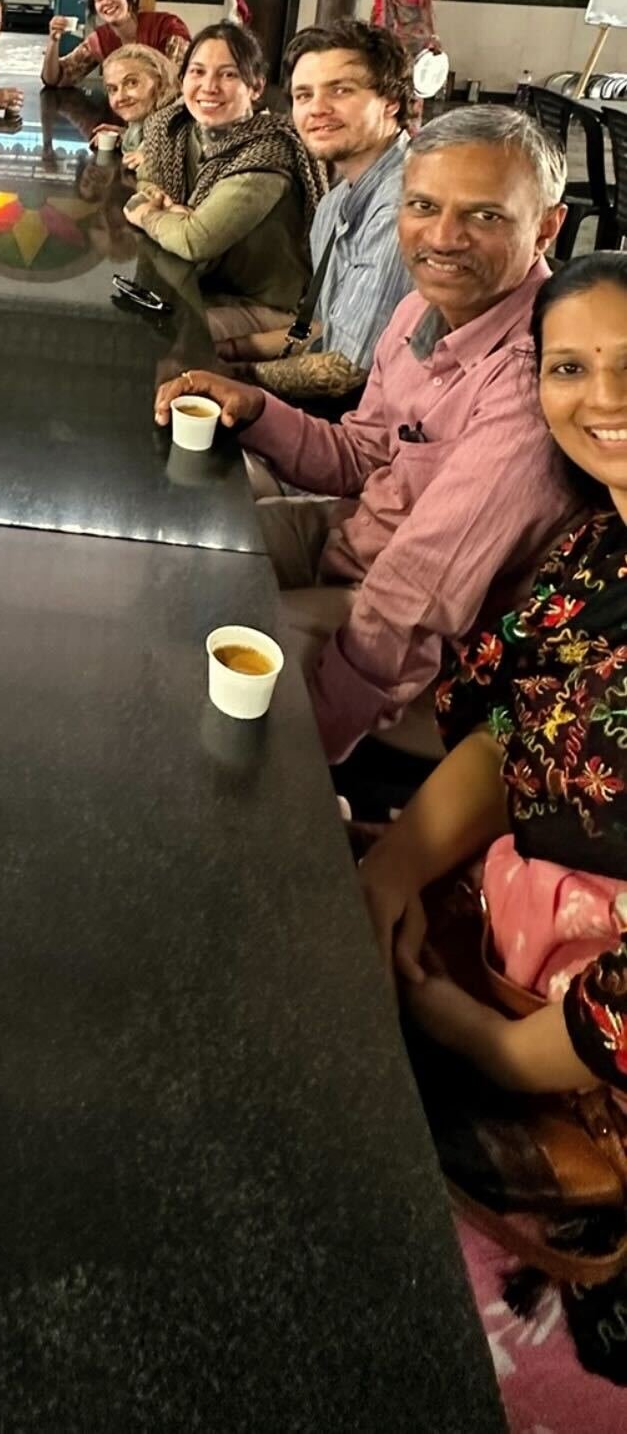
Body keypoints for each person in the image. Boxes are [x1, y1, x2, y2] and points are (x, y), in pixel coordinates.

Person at [361, 252, 627, 1420]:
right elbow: (512, 728)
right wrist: (392, 868)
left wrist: (475, 1038)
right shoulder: (594, 549)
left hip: (578, 1068)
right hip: (501, 943)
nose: (601, 399)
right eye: (569, 367)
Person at [155, 107, 578, 764]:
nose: (442, 236)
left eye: (484, 215)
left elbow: (416, 596)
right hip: (351, 537)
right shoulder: (421, 305)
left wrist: (300, 755)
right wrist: (255, 408)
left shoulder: (533, 383)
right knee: (173, 563)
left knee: (196, 672)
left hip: (419, 648)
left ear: (547, 226)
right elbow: (363, 453)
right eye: (421, 205)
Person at [218, 19, 413, 387]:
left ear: (391, 102)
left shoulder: (404, 206)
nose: (317, 108)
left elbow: (349, 371)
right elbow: (323, 331)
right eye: (303, 95)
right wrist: (231, 350)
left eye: (340, 90)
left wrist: (228, 376)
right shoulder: (337, 201)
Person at [125, 22, 323, 339]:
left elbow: (196, 240)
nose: (209, 86)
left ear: (256, 87)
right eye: (197, 72)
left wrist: (149, 214)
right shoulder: (174, 130)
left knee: (163, 332)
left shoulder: (269, 153)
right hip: (201, 285)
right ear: (182, 79)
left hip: (263, 305)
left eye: (228, 74)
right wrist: (170, 212)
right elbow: (144, 183)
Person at [42, 0, 189, 88]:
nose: (107, 2)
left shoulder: (167, 27)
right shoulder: (100, 40)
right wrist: (53, 40)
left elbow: (175, 84)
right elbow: (57, 78)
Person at [97, 43, 180, 169]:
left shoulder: (177, 121)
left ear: (159, 81)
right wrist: (123, 135)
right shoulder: (143, 123)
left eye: (132, 83)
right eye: (112, 89)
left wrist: (155, 160)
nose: (120, 97)